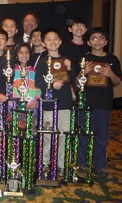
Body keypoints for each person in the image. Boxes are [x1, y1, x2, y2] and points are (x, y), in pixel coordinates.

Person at [77, 27, 121, 176]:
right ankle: (82, 162)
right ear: (89, 42)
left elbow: (117, 82)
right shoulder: (84, 59)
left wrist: (110, 73)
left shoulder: (112, 59)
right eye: (94, 38)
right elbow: (77, 82)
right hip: (86, 102)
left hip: (103, 103)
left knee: (102, 134)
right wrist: (83, 73)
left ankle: (100, 164)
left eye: (101, 38)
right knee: (83, 133)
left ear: (106, 41)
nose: (98, 41)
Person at [35, 28, 75, 177]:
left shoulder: (66, 60)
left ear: (60, 41)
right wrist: (51, 85)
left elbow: (76, 81)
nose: (52, 42)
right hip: (49, 104)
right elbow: (38, 82)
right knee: (47, 135)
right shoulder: (43, 62)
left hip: (64, 103)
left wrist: (70, 69)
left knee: (64, 134)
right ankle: (45, 164)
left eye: (55, 38)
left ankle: (62, 164)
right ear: (44, 43)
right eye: (49, 39)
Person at [10, 43, 41, 130]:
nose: (24, 55)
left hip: (32, 106)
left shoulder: (34, 70)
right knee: (15, 134)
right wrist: (20, 102)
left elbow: (38, 88)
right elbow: (9, 88)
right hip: (14, 106)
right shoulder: (12, 70)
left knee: (31, 134)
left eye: (27, 52)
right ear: (16, 55)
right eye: (21, 52)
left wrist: (35, 101)